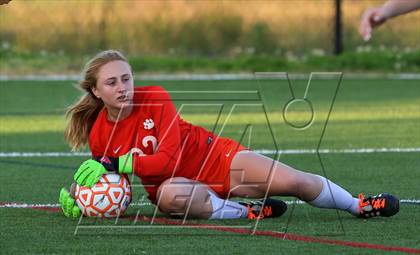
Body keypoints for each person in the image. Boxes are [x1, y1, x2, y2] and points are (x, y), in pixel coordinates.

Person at [59, 50, 399, 220]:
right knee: (168, 196)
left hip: (216, 159)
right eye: (112, 82)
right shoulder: (100, 132)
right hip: (176, 187)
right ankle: (248, 212)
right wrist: (78, 196)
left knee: (297, 183)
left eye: (127, 78)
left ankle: (359, 205)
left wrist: (114, 163)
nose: (123, 87)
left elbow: (168, 158)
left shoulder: (156, 97)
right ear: (96, 91)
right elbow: (106, 176)